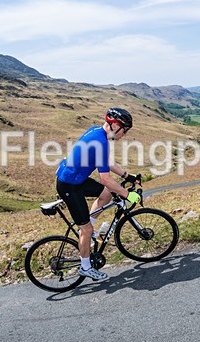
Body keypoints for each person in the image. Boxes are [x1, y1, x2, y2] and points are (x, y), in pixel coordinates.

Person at [55, 108, 141, 281]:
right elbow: (105, 179)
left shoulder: (97, 132)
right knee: (85, 229)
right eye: (125, 130)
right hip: (69, 185)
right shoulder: (100, 142)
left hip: (76, 179)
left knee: (106, 194)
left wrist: (127, 176)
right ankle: (85, 267)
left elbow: (107, 163)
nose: (124, 135)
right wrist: (127, 195)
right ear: (116, 126)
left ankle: (91, 231)